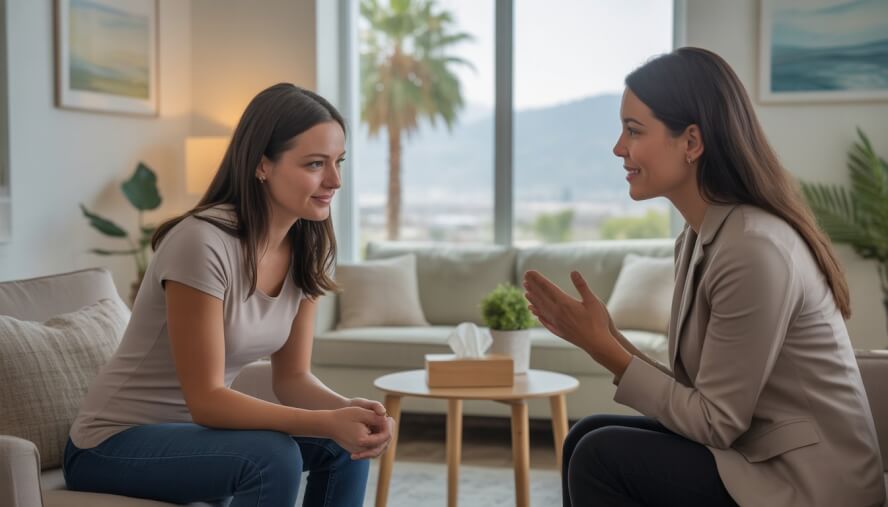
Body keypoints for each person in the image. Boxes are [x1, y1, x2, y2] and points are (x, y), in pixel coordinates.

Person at [523, 47, 886, 507]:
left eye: (633, 131)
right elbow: (702, 398)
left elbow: (715, 421)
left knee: (599, 454)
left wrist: (604, 348)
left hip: (806, 484)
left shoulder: (754, 249)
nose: (619, 147)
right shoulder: (700, 238)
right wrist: (608, 337)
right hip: (755, 453)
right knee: (586, 434)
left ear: (692, 142)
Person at [63, 83, 393, 506]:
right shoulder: (201, 243)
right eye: (315, 164)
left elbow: (292, 379)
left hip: (200, 436)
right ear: (262, 165)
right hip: (112, 444)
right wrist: (327, 421)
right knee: (273, 456)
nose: (334, 180)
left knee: (347, 445)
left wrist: (350, 413)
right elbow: (206, 400)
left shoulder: (308, 247)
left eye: (338, 162)